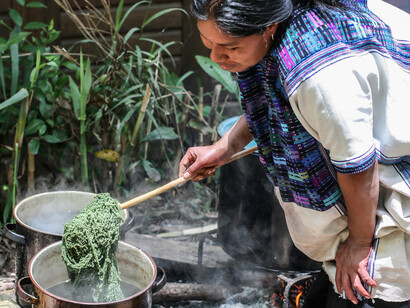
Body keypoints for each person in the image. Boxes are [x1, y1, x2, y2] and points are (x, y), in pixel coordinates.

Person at [178, 0, 410, 307]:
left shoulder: (318, 74)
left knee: (377, 281)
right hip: (367, 149)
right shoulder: (278, 27)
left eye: (229, 47)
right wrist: (225, 147)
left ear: (269, 27)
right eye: (208, 43)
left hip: (392, 163)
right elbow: (276, 98)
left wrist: (358, 243)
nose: (216, 57)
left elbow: (358, 166)